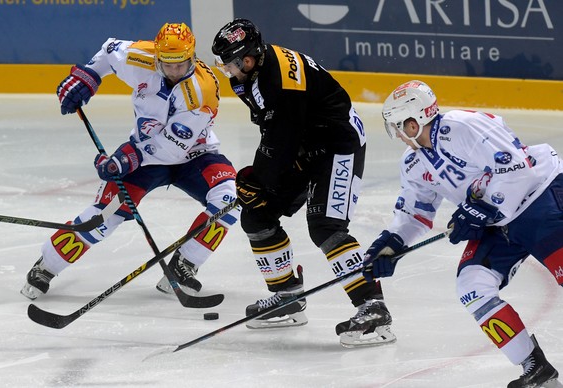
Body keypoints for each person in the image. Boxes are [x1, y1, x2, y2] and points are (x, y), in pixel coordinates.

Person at [210, 18, 395, 348]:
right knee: (257, 215)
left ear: (247, 59)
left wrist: (258, 177)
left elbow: (281, 136)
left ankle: (373, 307)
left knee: (325, 225)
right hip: (305, 145)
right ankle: (288, 297)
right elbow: (275, 131)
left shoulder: (276, 79)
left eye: (230, 64)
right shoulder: (252, 76)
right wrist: (260, 182)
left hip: (339, 145)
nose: (228, 71)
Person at [20, 23, 240, 300]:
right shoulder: (141, 57)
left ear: (192, 57)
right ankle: (47, 265)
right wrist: (89, 76)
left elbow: (171, 148)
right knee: (104, 216)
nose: (174, 71)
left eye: (181, 64)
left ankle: (185, 263)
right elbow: (109, 51)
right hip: (145, 159)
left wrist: (124, 159)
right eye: (167, 64)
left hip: (195, 155)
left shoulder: (202, 92)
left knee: (230, 200)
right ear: (157, 57)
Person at [366, 80, 561, 387]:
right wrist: (392, 243)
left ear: (413, 122)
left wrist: (484, 209)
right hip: (498, 224)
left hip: (539, 200)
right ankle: (535, 367)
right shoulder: (414, 162)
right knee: (473, 285)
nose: (398, 134)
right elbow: (414, 212)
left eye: (398, 126)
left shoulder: (463, 126)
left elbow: (518, 168)